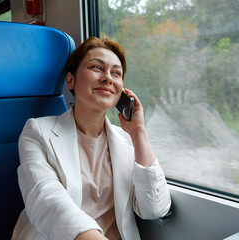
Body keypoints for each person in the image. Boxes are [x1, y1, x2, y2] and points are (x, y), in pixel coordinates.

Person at [11, 36, 171, 240]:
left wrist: (138, 131)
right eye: (97, 67)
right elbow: (46, 199)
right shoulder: (37, 131)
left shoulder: (126, 140)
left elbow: (155, 209)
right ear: (71, 80)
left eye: (116, 73)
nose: (108, 78)